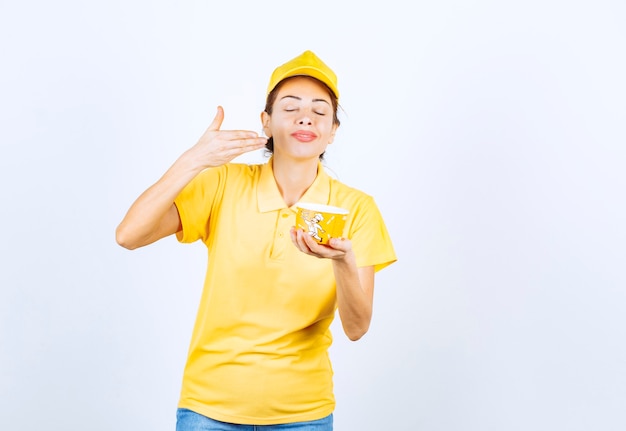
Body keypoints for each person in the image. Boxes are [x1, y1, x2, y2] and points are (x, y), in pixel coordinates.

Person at [116, 50, 397, 431]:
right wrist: (193, 160)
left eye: (320, 111)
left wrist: (343, 262)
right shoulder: (224, 183)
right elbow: (129, 235)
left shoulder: (356, 209)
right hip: (208, 410)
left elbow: (356, 327)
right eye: (290, 107)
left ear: (333, 131)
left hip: (304, 415)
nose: (305, 117)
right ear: (266, 123)